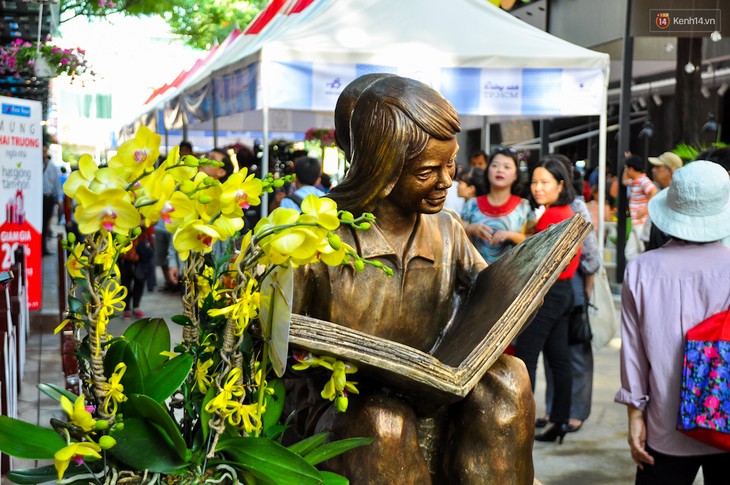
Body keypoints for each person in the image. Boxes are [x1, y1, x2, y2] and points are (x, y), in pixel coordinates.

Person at [294, 74, 534, 484]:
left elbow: (489, 291)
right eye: (427, 171)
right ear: (381, 168)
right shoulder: (314, 240)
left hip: (435, 385)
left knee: (508, 380)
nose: (446, 181)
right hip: (339, 400)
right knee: (381, 419)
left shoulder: (447, 231)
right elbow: (275, 350)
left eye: (451, 165)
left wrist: (523, 292)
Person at [615, 160, 730, 484]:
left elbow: (633, 355)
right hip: (727, 423)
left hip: (663, 426)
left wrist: (635, 416)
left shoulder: (640, 270)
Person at [514, 156, 580, 444]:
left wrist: (511, 235)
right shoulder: (565, 212)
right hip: (564, 292)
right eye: (534, 182)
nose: (538, 188)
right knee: (559, 360)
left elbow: (534, 254)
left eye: (545, 182)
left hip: (547, 293)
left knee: (526, 358)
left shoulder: (554, 215)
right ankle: (559, 422)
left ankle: (520, 425)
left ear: (561, 184)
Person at [542, 156, 601, 434]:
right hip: (555, 286)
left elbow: (591, 254)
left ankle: (575, 413)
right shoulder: (547, 206)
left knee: (575, 352)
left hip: (574, 283)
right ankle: (556, 410)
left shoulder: (575, 206)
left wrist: (586, 294)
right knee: (555, 354)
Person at [460, 147, 533, 263]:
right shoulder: (471, 205)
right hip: (474, 275)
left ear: (515, 175)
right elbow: (455, 233)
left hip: (511, 276)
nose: (500, 170)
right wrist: (470, 228)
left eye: (507, 167)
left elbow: (535, 242)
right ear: (487, 170)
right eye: (495, 165)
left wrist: (511, 236)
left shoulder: (524, 207)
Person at [644, 151, 683, 251]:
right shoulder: (658, 192)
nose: (653, 170)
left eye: (657, 167)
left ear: (670, 170)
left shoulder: (680, 198)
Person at [622, 154, 657, 260]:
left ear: (631, 169)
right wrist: (627, 163)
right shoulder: (635, 181)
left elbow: (653, 191)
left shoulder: (643, 180)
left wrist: (645, 210)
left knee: (641, 251)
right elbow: (624, 182)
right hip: (637, 222)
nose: (627, 172)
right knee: (630, 252)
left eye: (627, 169)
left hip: (641, 223)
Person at [120, 225, 154, 319]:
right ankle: (126, 308)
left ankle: (136, 307)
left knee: (140, 281)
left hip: (141, 254)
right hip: (125, 254)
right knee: (125, 283)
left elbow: (151, 222)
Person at [42, 144, 62, 256]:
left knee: (46, 225)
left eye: (45, 152)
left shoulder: (51, 167)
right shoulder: (33, 165)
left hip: (47, 199)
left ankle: (43, 247)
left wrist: (59, 200)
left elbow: (56, 184)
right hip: (36, 199)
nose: (43, 154)